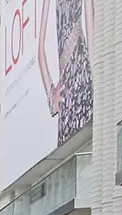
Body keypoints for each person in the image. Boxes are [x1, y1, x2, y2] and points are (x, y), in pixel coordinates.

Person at [38, 0, 94, 147]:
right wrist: (52, 96)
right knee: (67, 149)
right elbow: (40, 51)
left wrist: (97, 81)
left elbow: (91, 32)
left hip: (84, 76)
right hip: (66, 88)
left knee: (91, 139)